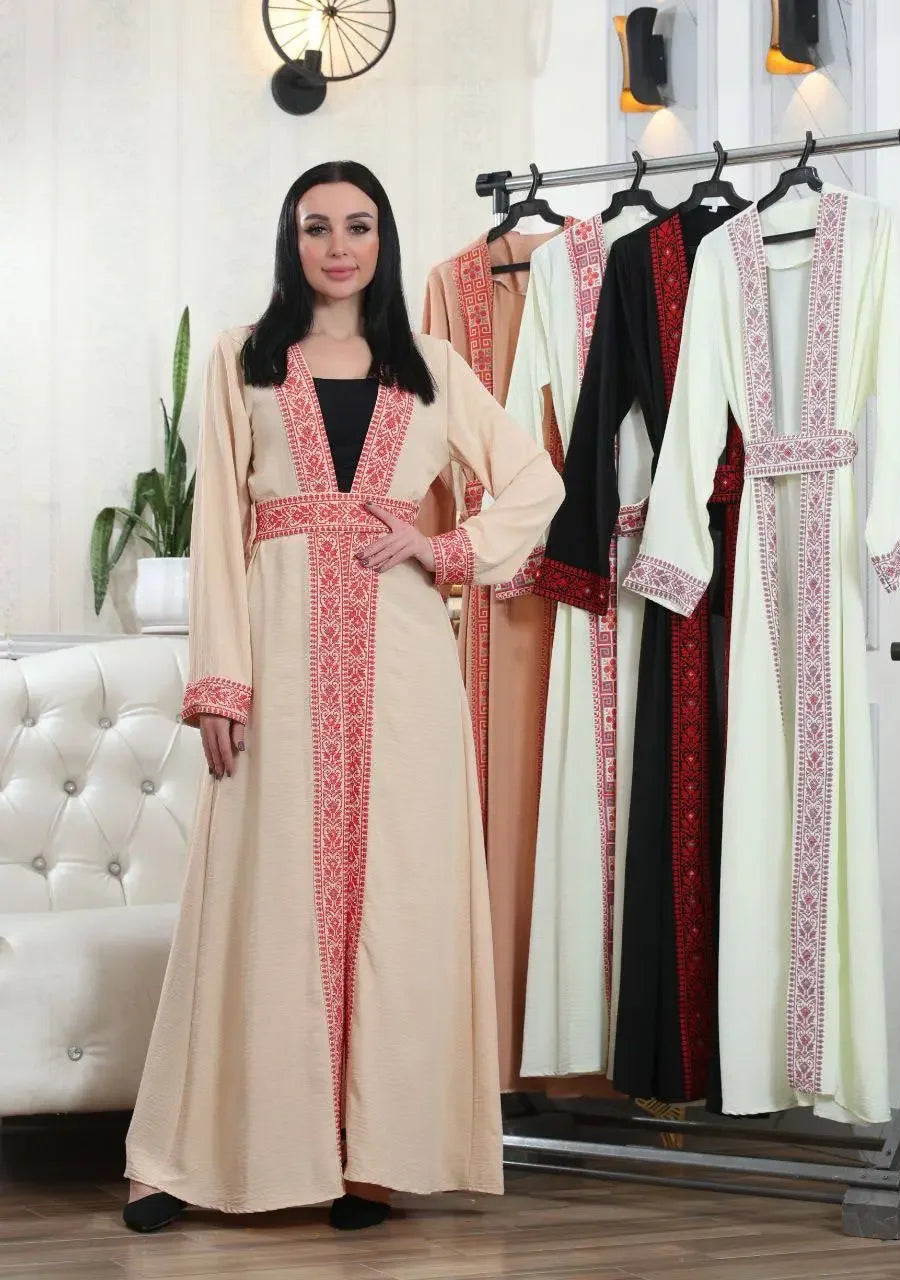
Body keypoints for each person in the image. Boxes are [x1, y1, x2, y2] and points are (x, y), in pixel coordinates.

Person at [121, 160, 564, 1233]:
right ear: (291, 239)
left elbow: (537, 484)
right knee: (255, 900)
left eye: (358, 225)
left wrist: (445, 545)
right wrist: (218, 678)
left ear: (382, 239)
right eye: (316, 226)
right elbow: (217, 531)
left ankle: (372, 1155)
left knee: (398, 903)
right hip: (276, 660)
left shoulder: (431, 368)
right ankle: (182, 1157)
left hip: (403, 666)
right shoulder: (243, 360)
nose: (337, 244)